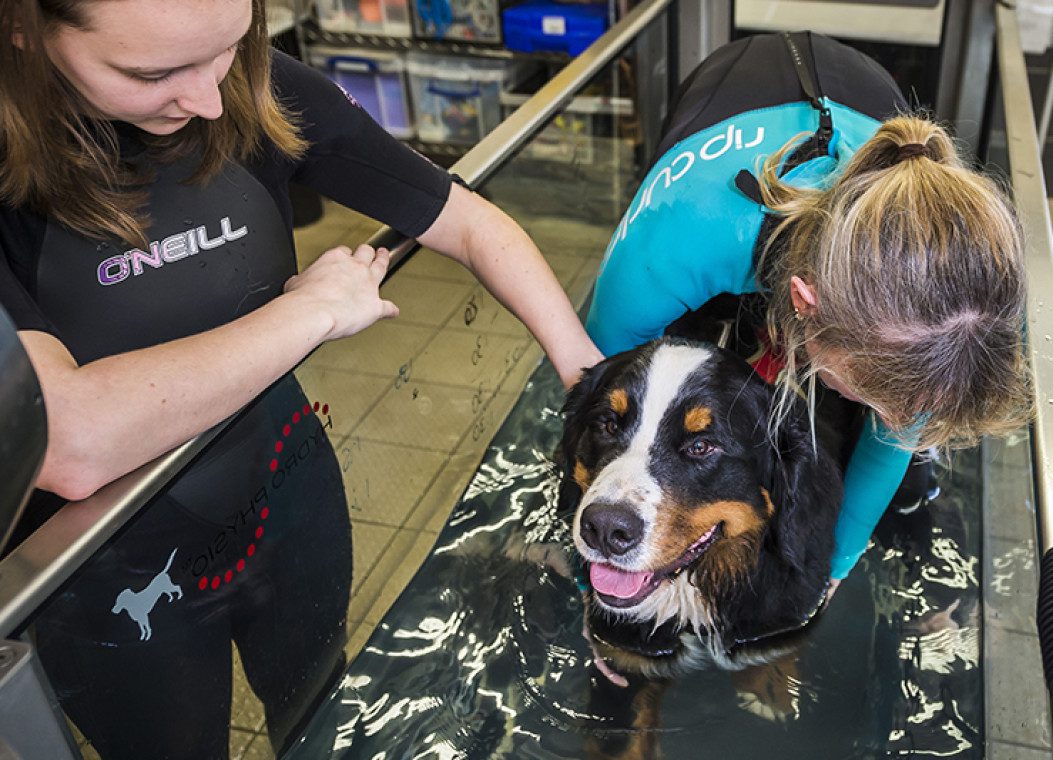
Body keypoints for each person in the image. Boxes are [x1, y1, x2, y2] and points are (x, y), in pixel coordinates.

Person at [0, 0, 602, 754]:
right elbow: (71, 438)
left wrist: (595, 385)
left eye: (226, 48)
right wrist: (307, 315)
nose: (208, 101)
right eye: (152, 72)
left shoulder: (251, 85)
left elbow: (469, 221)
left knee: (322, 717)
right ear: (24, 28)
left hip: (289, 498)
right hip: (106, 574)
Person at [586, 32, 1032, 593]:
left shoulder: (951, 306)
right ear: (804, 306)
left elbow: (888, 446)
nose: (898, 424)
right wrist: (592, 578)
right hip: (728, 93)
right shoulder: (672, 243)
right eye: (872, 394)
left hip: (863, 90)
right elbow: (590, 407)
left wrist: (828, 575)